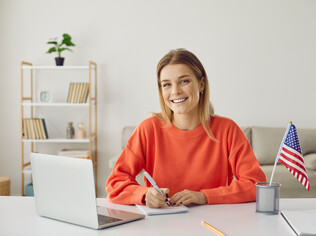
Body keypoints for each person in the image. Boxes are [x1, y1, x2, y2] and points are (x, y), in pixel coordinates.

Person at [106, 48, 266, 208]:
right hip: (160, 223)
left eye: (184, 81)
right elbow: (115, 183)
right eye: (167, 84)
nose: (175, 91)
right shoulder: (148, 130)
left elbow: (256, 184)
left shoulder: (227, 129)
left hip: (213, 221)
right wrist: (144, 195)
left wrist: (204, 196)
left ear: (201, 84)